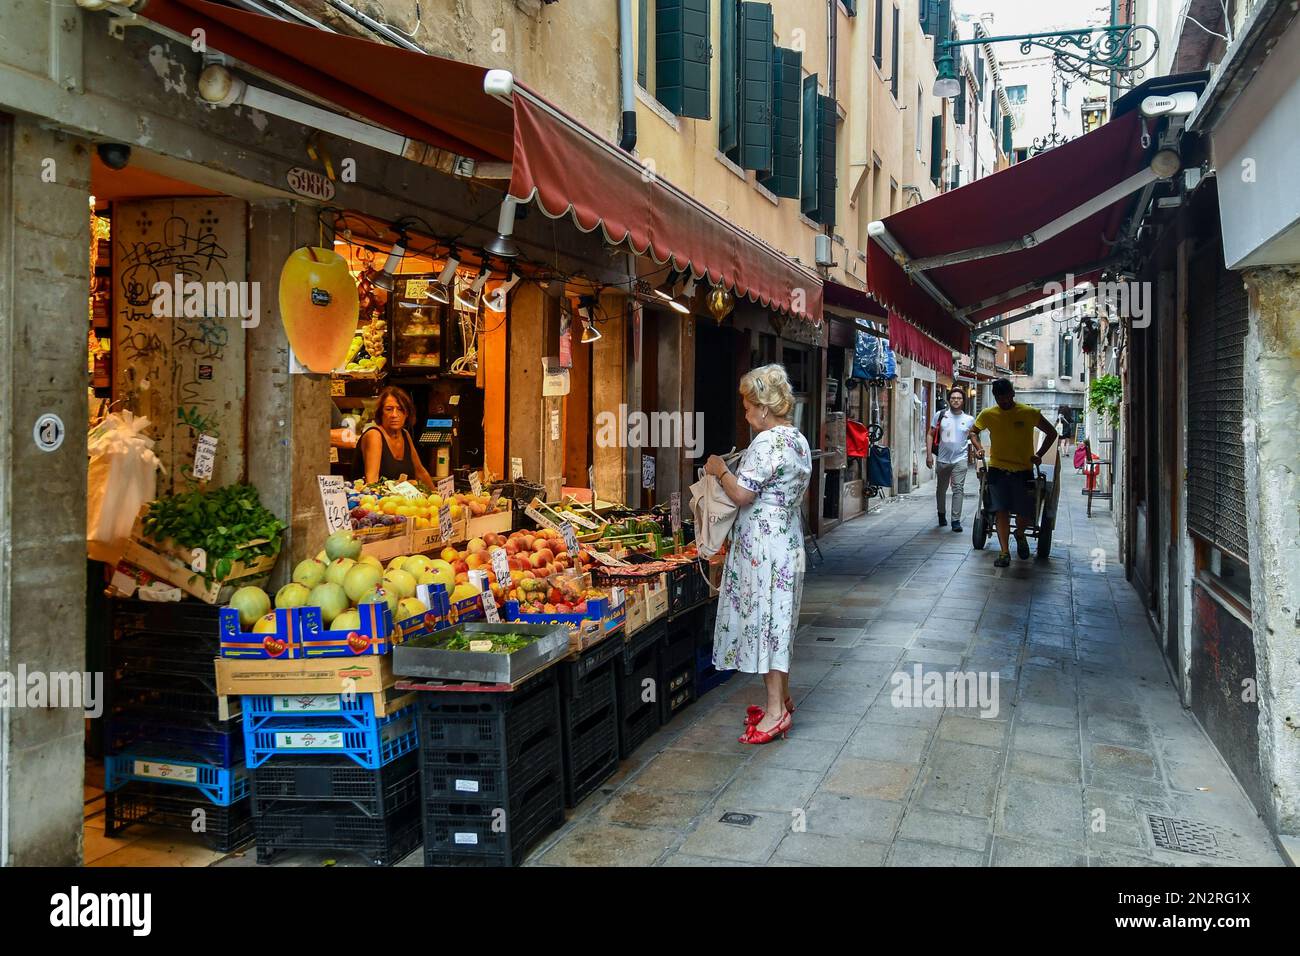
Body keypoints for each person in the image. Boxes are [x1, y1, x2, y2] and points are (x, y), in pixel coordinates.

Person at [704, 364, 812, 745]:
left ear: (764, 408)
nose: (746, 414)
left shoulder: (767, 442)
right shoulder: (797, 439)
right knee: (780, 619)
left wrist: (719, 469)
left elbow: (742, 494)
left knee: (767, 621)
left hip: (765, 547)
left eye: (748, 407)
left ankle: (775, 712)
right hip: (787, 540)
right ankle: (781, 697)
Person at [968, 378, 1058, 568]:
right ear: (995, 398)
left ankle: (1019, 535)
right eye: (1000, 399)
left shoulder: (1029, 413)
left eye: (1007, 398)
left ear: (1013, 394)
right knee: (1001, 510)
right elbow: (973, 432)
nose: (1004, 402)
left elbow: (1051, 433)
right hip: (997, 470)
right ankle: (1004, 552)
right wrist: (978, 447)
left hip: (1023, 470)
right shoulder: (988, 414)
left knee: (1024, 511)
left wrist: (1039, 455)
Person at [356, 385, 435, 487]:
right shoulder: (374, 435)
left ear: (406, 413)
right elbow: (371, 482)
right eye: (389, 409)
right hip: (373, 500)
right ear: (380, 413)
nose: (394, 415)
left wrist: (437, 495)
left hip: (399, 500)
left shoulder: (405, 434)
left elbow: (420, 472)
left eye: (400, 409)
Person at [926, 388, 975, 533]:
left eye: (959, 398)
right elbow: (930, 434)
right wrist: (929, 455)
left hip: (960, 458)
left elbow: (973, 436)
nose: (956, 400)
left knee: (958, 489)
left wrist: (978, 449)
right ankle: (941, 514)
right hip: (942, 459)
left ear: (963, 400)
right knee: (941, 489)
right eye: (953, 398)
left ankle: (955, 520)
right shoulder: (940, 415)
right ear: (949, 400)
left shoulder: (969, 419)